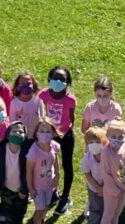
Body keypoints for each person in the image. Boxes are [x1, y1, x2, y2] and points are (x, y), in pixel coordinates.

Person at [38, 66, 76, 215]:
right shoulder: (43, 95)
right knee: (47, 165)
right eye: (55, 78)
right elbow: (41, 113)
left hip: (65, 136)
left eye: (62, 79)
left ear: (67, 83)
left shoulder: (70, 99)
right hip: (48, 135)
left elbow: (71, 118)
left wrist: (62, 131)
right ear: (49, 79)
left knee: (67, 166)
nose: (58, 81)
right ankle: (52, 194)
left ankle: (65, 197)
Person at [0, 121, 29, 224]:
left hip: (21, 189)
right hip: (6, 188)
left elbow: (27, 173)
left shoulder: (26, 152)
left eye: (21, 132)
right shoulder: (1, 151)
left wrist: (24, 190)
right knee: (7, 207)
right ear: (8, 134)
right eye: (14, 131)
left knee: (20, 210)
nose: (17, 133)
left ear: (25, 136)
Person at [26, 117, 60, 224]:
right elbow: (29, 172)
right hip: (38, 187)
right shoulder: (33, 152)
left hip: (49, 184)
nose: (45, 134)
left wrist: (57, 177)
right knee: (40, 210)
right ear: (36, 133)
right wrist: (31, 189)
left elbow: (56, 161)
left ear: (53, 133)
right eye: (41, 131)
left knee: (45, 207)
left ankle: (40, 221)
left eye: (48, 131)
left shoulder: (54, 146)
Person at [99, 119, 125, 224]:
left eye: (120, 137)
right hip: (111, 191)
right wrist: (114, 190)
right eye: (113, 137)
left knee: (117, 213)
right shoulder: (106, 152)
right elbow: (105, 174)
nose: (117, 140)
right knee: (108, 214)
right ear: (107, 135)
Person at [80, 127, 107, 224]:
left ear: (104, 142)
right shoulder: (87, 159)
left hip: (107, 188)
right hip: (94, 188)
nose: (94, 144)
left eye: (97, 141)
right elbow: (87, 173)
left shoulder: (107, 157)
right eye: (90, 142)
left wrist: (105, 187)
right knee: (95, 209)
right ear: (87, 144)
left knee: (106, 209)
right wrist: (97, 187)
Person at [9, 72, 45, 142]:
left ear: (33, 86)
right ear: (18, 87)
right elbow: (12, 121)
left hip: (36, 135)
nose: (25, 85)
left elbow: (42, 116)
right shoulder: (14, 102)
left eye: (28, 83)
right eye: (22, 83)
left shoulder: (38, 99)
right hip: (21, 135)